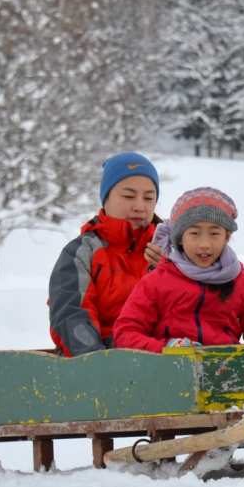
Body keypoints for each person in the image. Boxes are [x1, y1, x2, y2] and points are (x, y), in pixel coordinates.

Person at [113, 186, 244, 351]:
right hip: (167, 374)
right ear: (180, 238)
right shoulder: (156, 282)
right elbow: (126, 332)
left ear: (226, 237)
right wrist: (167, 349)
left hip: (223, 375)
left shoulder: (242, 283)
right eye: (194, 233)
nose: (205, 244)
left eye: (214, 233)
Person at [48, 151, 162, 356]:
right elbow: (71, 313)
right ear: (106, 199)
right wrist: (97, 362)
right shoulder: (82, 252)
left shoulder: (172, 251)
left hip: (166, 359)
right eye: (128, 196)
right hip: (106, 362)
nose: (140, 206)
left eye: (149, 197)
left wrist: (171, 269)